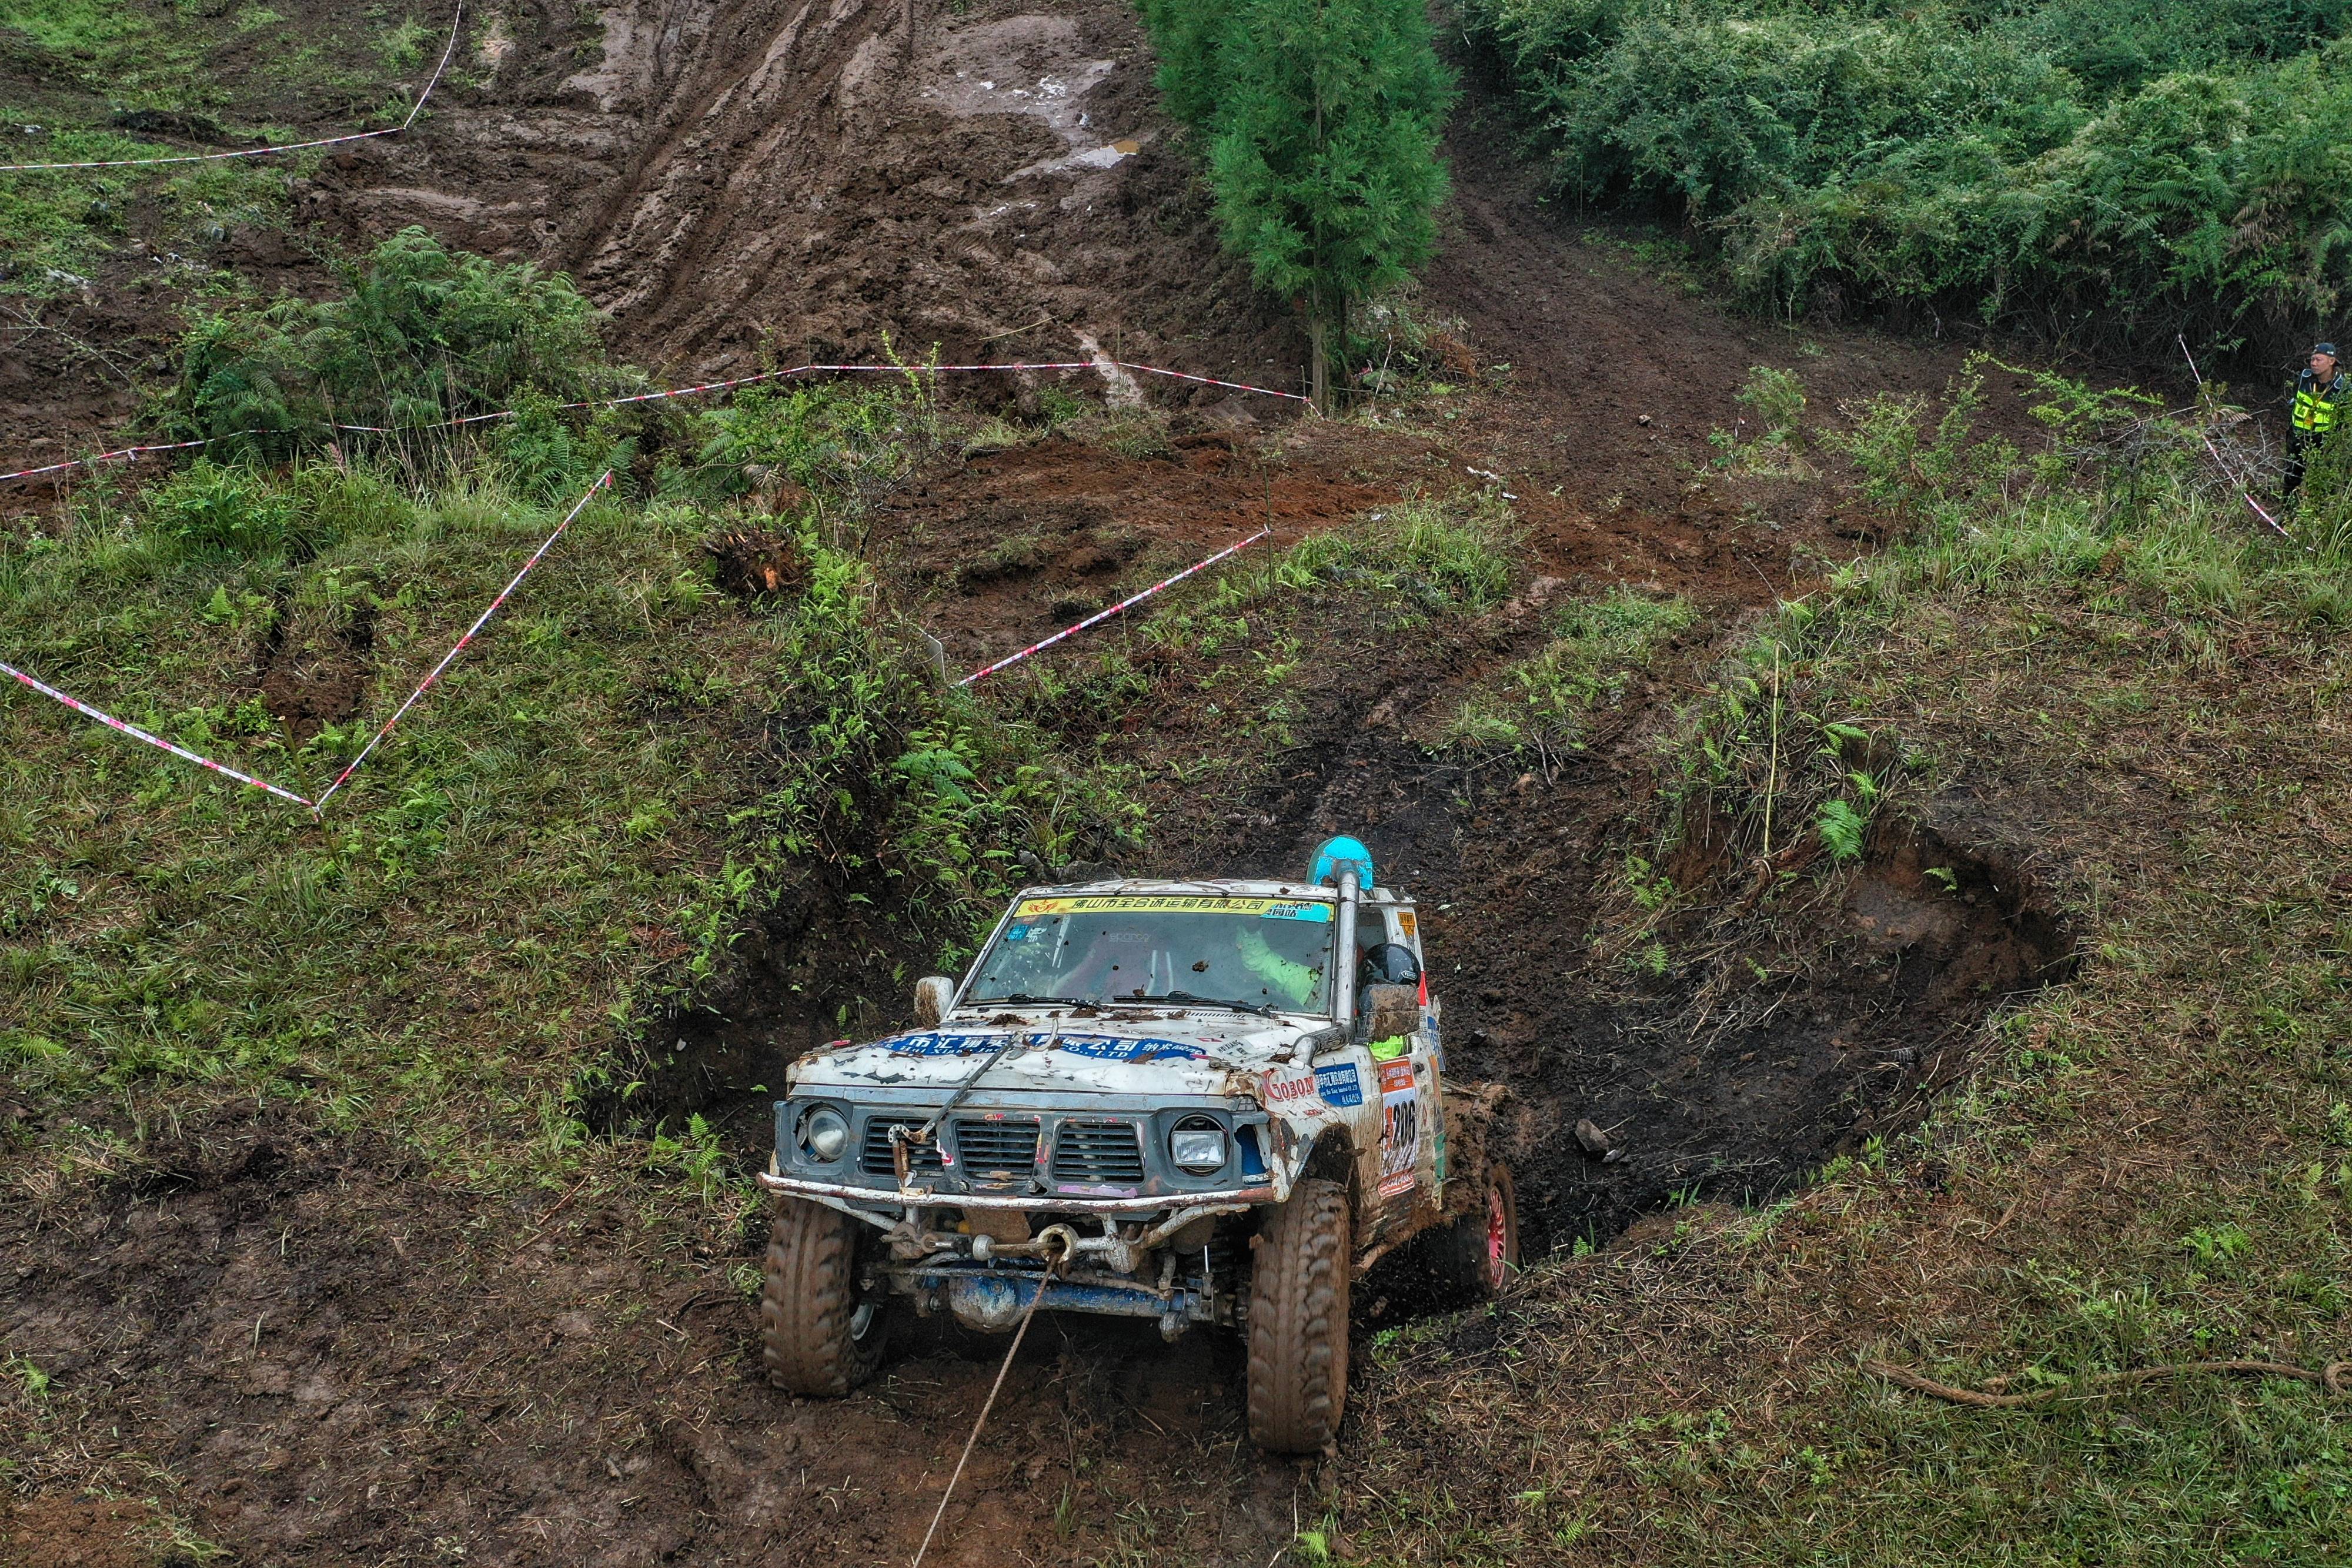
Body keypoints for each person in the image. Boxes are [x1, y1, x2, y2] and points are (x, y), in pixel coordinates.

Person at [2284, 342, 2347, 503]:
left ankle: (2312, 518)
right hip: (2297, 437)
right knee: (2292, 477)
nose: (2314, 363)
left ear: (2331, 361)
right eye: (2312, 359)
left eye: (2319, 360)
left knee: (2319, 482)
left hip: (2323, 443)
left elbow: (2344, 419)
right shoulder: (2304, 378)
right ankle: (2286, 512)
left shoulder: (2343, 388)